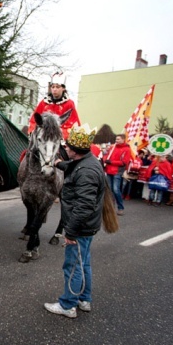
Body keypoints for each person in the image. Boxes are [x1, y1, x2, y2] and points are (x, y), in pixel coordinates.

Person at [45, 123, 106, 318]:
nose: (66, 149)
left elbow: (84, 206)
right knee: (84, 263)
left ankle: (68, 305)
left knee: (72, 266)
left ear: (76, 151)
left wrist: (70, 233)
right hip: (87, 227)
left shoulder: (86, 171)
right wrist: (57, 164)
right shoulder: (86, 162)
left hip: (80, 228)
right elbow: (72, 166)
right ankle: (84, 299)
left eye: (69, 147)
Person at [29, 72, 81, 140]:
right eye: (53, 87)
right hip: (43, 136)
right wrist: (33, 133)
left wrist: (60, 134)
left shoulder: (69, 103)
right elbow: (34, 120)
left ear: (63, 88)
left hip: (60, 138)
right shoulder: (44, 103)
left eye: (57, 87)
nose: (55, 89)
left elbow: (74, 125)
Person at [103, 134, 131, 215]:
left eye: (118, 139)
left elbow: (124, 162)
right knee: (109, 190)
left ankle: (120, 207)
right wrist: (105, 160)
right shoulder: (113, 147)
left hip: (117, 172)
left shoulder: (126, 149)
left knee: (116, 190)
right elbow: (106, 155)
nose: (116, 140)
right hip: (109, 171)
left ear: (123, 139)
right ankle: (111, 207)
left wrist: (111, 162)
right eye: (116, 139)